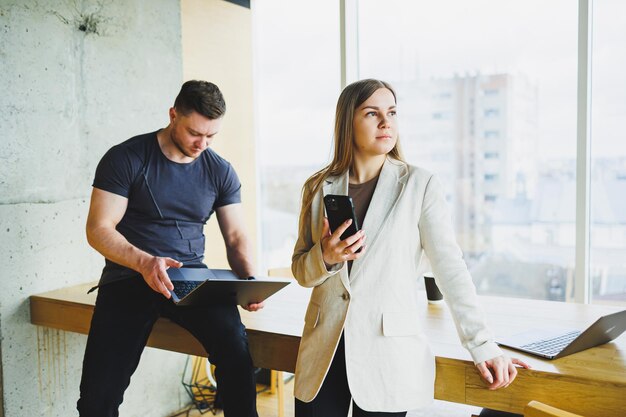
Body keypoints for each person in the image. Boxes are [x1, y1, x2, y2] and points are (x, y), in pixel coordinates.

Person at [291, 79, 530, 417]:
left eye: (392, 112)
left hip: (386, 356)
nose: (386, 122)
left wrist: (482, 344)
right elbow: (301, 270)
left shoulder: (420, 185)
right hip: (324, 351)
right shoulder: (317, 188)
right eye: (372, 113)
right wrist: (326, 258)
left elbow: (450, 269)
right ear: (348, 122)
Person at [78, 80, 262, 417]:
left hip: (190, 277)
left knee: (237, 354)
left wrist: (249, 280)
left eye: (211, 136)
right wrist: (146, 262)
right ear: (173, 114)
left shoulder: (219, 170)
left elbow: (235, 237)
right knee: (98, 397)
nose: (202, 144)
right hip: (129, 276)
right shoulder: (126, 158)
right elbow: (98, 229)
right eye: (195, 133)